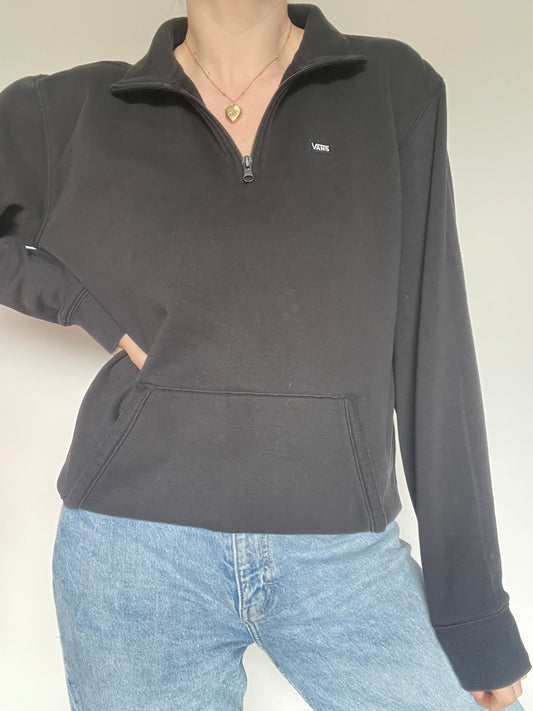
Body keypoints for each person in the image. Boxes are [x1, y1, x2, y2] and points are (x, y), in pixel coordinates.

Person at [1, 1, 530, 709]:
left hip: (345, 558)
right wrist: (82, 304)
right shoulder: (79, 108)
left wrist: (474, 613)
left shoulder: (389, 88)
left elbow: (433, 348)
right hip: (133, 553)